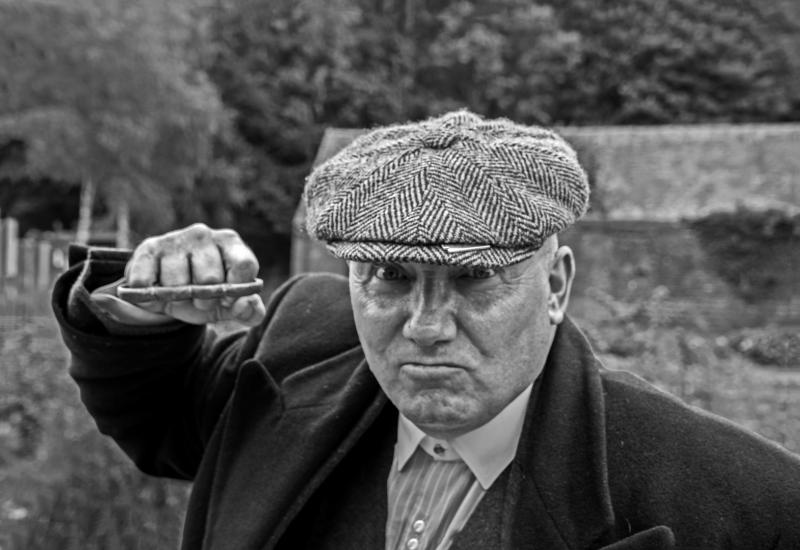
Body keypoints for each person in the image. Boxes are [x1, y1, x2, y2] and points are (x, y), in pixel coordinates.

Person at [52, 111, 800, 550]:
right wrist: (144, 311)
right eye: (389, 275)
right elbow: (162, 421)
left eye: (475, 278)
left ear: (556, 286)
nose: (427, 326)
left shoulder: (746, 501)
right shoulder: (297, 345)